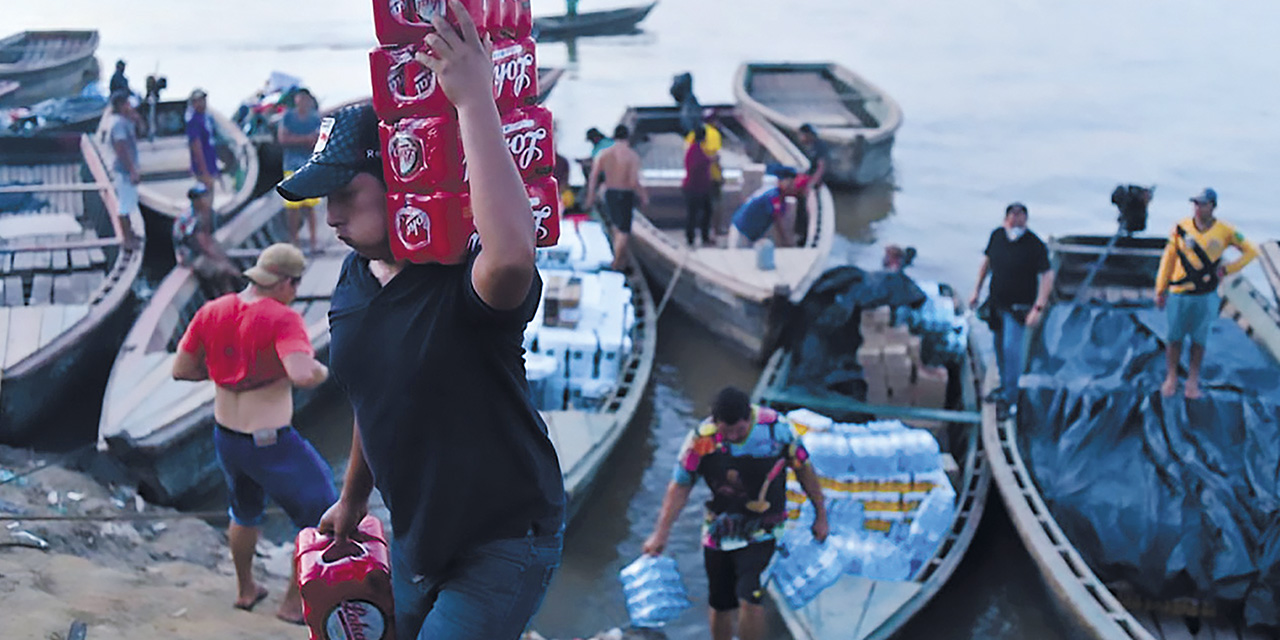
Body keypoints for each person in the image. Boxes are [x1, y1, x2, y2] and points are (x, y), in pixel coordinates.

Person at [275, 5, 564, 638]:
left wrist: (474, 102)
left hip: (504, 539)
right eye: (324, 202)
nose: (330, 219)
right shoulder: (355, 280)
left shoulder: (464, 279)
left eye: (345, 195)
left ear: (402, 176)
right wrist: (353, 499)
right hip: (417, 540)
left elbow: (514, 253)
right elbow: (375, 395)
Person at [171, 242, 336, 626]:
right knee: (322, 510)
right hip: (270, 442)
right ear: (286, 283)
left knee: (244, 512)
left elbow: (181, 369)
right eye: (296, 284)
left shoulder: (212, 310)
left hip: (227, 437)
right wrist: (322, 372)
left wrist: (226, 375)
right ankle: (292, 605)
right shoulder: (283, 319)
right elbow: (303, 374)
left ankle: (246, 589)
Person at [643, 387, 829, 640]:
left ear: (749, 419)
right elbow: (681, 484)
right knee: (721, 601)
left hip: (765, 528)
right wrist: (660, 533)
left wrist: (821, 515)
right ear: (715, 422)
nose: (731, 437)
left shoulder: (777, 429)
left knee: (749, 596)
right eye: (725, 432)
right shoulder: (702, 439)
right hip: (719, 529)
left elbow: (804, 469)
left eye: (739, 431)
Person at [1155, 188, 1258, 399]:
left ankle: (1193, 380)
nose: (1198, 208)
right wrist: (1160, 289)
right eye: (1195, 203)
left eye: (1202, 204)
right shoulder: (1180, 227)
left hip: (1206, 294)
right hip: (1179, 291)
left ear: (1212, 206)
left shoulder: (1225, 230)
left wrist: (1228, 269)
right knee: (1174, 337)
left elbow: (1251, 251)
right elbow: (1168, 259)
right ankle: (1172, 376)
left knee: (1199, 339)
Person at [968, 202, 1052, 420]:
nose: (1016, 220)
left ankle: (1011, 400)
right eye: (1012, 216)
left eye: (1020, 215)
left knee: (1011, 350)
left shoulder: (1034, 244)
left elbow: (1047, 276)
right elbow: (986, 264)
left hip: (1019, 307)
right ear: (1006, 218)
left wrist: (1038, 306)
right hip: (996, 302)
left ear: (1026, 218)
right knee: (998, 347)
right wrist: (976, 291)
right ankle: (1004, 387)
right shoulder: (997, 236)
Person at [586, 124, 649, 271]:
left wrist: (590, 195)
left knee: (616, 226)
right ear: (627, 137)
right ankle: (617, 262)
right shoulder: (632, 156)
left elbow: (593, 176)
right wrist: (643, 195)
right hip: (625, 193)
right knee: (624, 230)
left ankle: (619, 258)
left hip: (610, 192)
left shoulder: (605, 153)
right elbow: (633, 181)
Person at [277, 88, 322, 253]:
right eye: (300, 98)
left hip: (310, 165)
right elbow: (283, 138)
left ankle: (313, 242)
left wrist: (308, 140)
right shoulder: (288, 117)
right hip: (291, 166)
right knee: (292, 207)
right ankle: (294, 242)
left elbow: (319, 139)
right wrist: (305, 139)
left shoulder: (314, 118)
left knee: (310, 207)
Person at [174, 184, 241, 295]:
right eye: (202, 197)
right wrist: (223, 262)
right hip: (191, 257)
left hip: (201, 252)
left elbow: (209, 240)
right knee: (223, 270)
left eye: (206, 196)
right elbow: (201, 243)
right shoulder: (192, 218)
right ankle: (228, 297)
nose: (206, 199)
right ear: (195, 201)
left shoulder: (208, 212)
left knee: (227, 263)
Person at [727, 165, 799, 249]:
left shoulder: (778, 194)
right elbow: (778, 222)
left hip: (750, 235)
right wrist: (787, 243)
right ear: (780, 181)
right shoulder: (774, 195)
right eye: (789, 182)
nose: (792, 185)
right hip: (742, 231)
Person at [106, 90, 141, 238]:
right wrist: (132, 170)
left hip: (128, 168)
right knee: (124, 206)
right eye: (127, 103)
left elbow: (142, 130)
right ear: (121, 105)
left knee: (129, 202)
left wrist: (136, 118)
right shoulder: (118, 124)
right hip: (123, 170)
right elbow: (121, 148)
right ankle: (126, 237)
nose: (130, 105)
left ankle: (131, 232)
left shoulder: (126, 120)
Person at [685, 109, 724, 232]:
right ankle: (715, 231)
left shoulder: (692, 134)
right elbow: (715, 156)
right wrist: (721, 174)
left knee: (693, 211)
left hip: (694, 179)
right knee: (713, 205)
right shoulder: (714, 134)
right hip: (711, 176)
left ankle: (691, 236)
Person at [793, 123, 828, 246]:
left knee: (804, 210)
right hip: (808, 180)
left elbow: (821, 167)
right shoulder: (811, 146)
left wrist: (811, 184)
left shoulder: (820, 147)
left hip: (813, 184)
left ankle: (803, 234)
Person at [683, 124, 714, 246]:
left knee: (700, 213)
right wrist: (711, 160)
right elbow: (697, 165)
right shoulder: (695, 150)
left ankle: (698, 237)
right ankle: (696, 238)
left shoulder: (694, 149)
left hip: (697, 187)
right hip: (696, 188)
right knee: (697, 213)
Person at [186, 88, 221, 191]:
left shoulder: (207, 117)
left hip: (211, 162)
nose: (202, 103)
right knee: (205, 195)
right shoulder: (193, 121)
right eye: (198, 101)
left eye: (203, 100)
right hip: (202, 167)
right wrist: (204, 170)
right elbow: (196, 146)